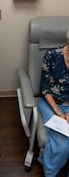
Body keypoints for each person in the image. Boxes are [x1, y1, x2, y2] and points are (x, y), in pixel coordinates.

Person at [38, 32, 69, 177]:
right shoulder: (52, 55)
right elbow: (45, 87)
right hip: (50, 102)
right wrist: (58, 111)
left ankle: (45, 158)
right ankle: (50, 172)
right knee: (62, 145)